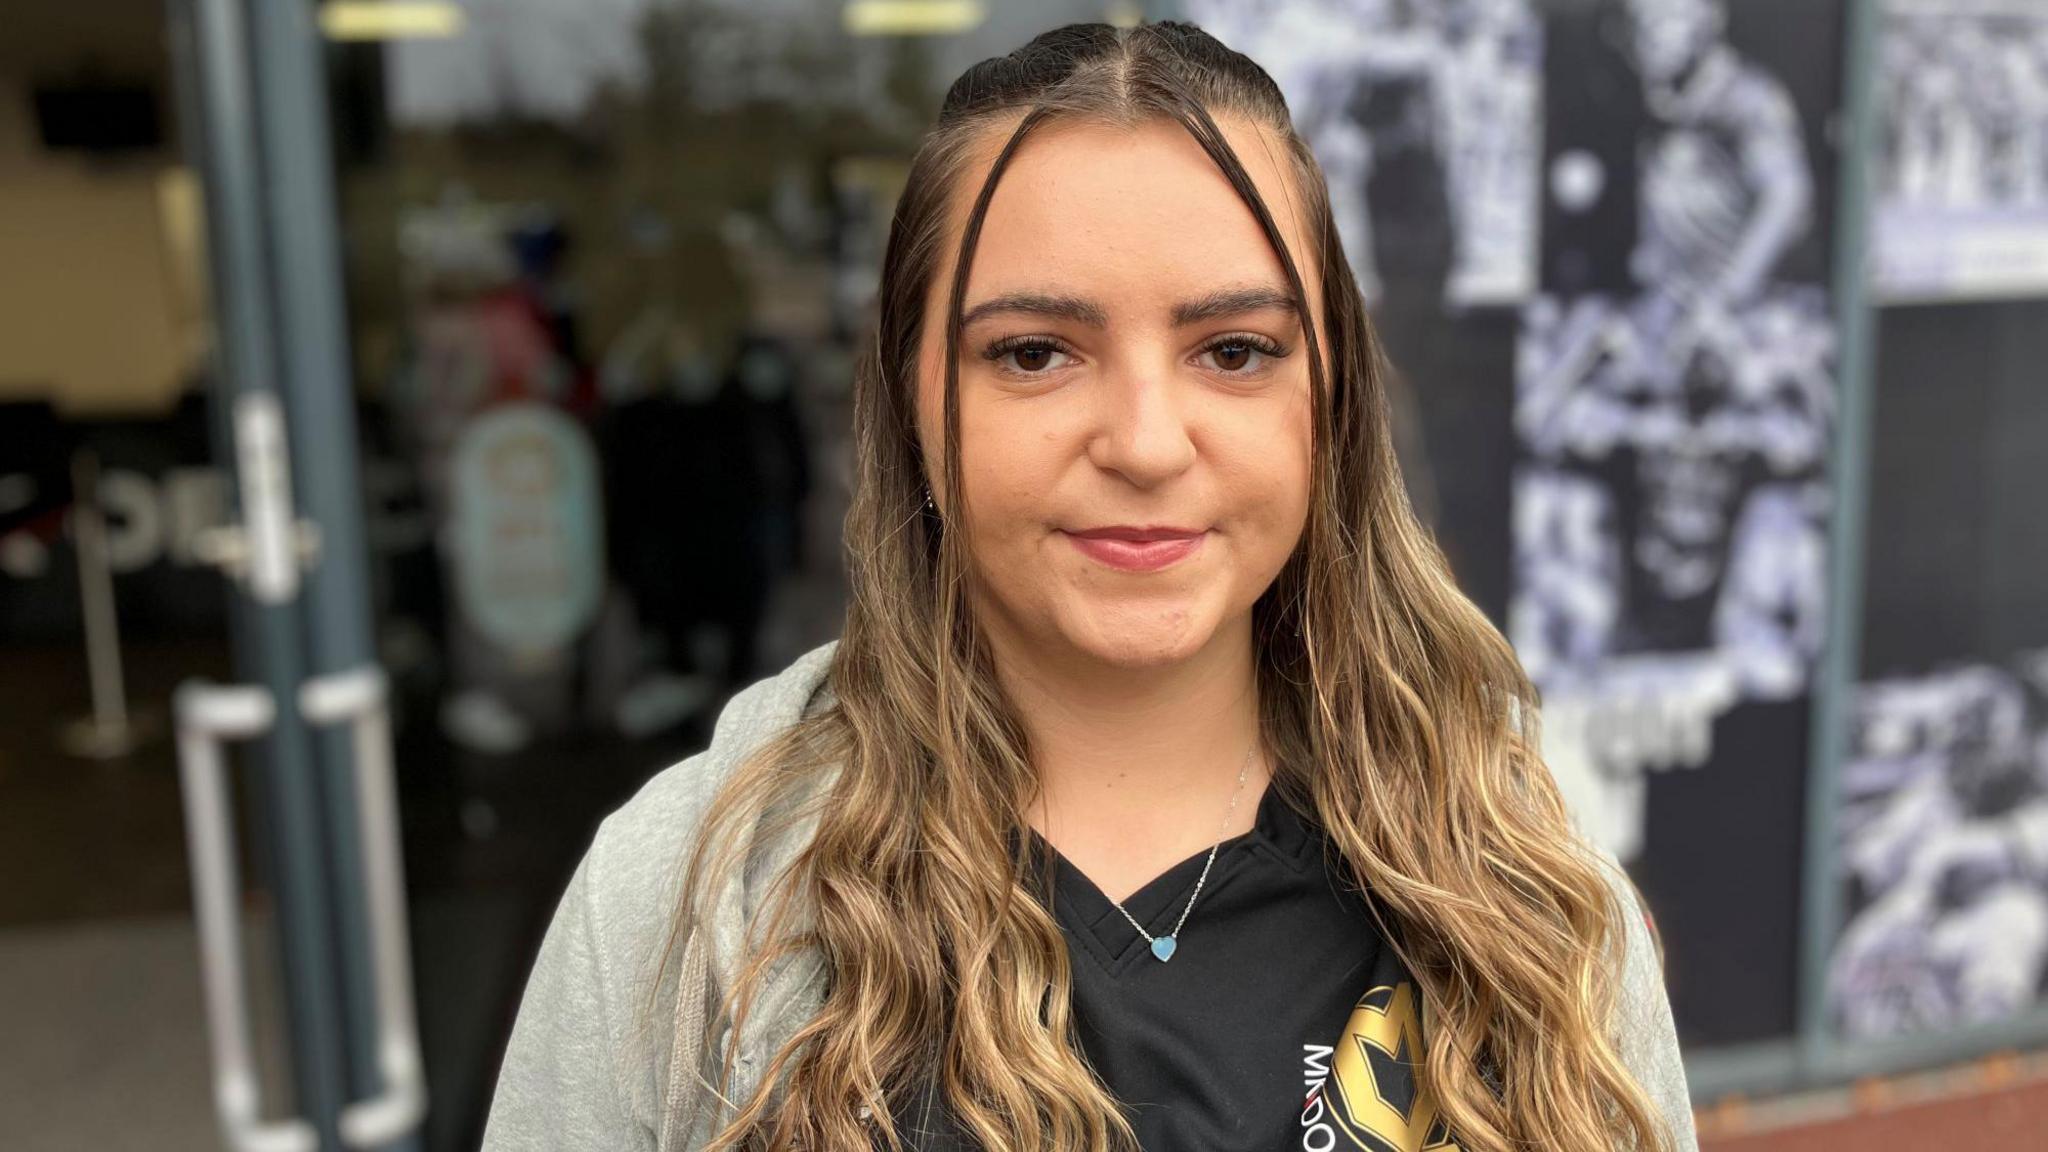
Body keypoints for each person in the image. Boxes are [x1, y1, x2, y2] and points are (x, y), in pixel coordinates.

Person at [483, 20, 1695, 1152]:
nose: (1146, 442)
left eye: (1233, 350)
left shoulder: (1526, 888)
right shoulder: (685, 911)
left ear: (1327, 405)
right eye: (1032, 353)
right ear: (910, 401)